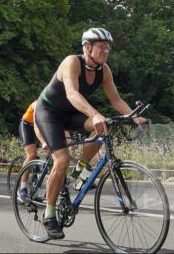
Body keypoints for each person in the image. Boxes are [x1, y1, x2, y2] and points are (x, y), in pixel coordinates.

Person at [33, 28, 145, 239]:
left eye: (107, 47)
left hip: (71, 113)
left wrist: (134, 117)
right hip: (49, 113)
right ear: (87, 47)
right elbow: (72, 93)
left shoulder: (104, 71)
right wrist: (94, 113)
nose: (106, 51)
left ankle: (81, 169)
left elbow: (116, 100)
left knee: (102, 127)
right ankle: (49, 214)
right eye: (101, 47)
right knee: (62, 159)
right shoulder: (71, 62)